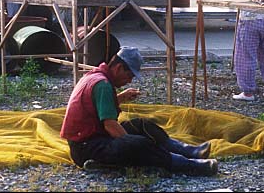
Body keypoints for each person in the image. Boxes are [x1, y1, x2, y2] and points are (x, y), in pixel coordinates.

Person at [60, 46, 218, 176]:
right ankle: (188, 165)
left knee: (142, 126)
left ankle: (189, 151)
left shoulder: (96, 77)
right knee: (138, 144)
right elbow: (109, 125)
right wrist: (134, 143)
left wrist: (120, 98)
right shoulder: (102, 85)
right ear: (119, 68)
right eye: (129, 76)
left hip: (92, 139)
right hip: (86, 149)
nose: (129, 80)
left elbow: (96, 106)